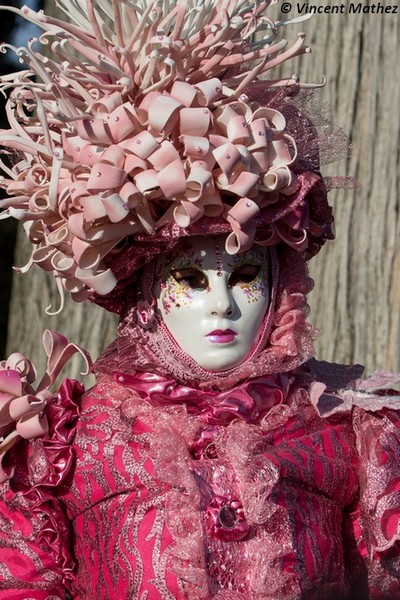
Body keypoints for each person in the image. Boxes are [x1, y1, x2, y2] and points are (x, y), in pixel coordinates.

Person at [0, 1, 399, 598]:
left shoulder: (348, 425)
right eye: (189, 280)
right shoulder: (63, 439)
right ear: (146, 296)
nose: (222, 307)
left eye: (243, 277)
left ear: (280, 284)